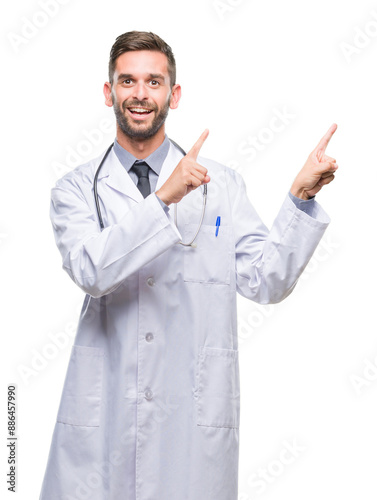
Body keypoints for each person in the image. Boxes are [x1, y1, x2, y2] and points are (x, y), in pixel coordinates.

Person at [39, 31, 338, 500]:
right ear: (108, 92)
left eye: (154, 82)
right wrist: (164, 199)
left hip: (191, 421)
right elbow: (91, 272)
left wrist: (300, 197)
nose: (140, 94)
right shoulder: (75, 191)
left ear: (173, 95)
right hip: (106, 415)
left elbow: (266, 280)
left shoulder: (222, 185)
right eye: (128, 81)